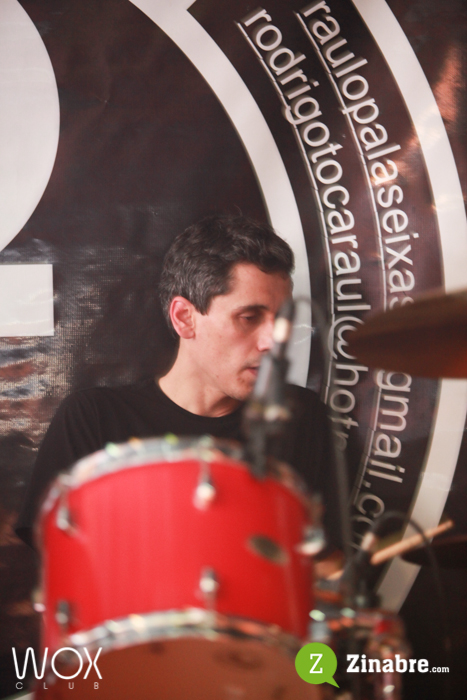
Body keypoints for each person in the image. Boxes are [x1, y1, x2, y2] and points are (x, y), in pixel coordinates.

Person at [16, 214, 337, 548]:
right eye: (249, 317)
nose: (273, 341)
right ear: (184, 318)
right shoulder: (94, 419)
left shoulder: (300, 417)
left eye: (281, 320)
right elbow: (61, 560)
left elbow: (327, 560)